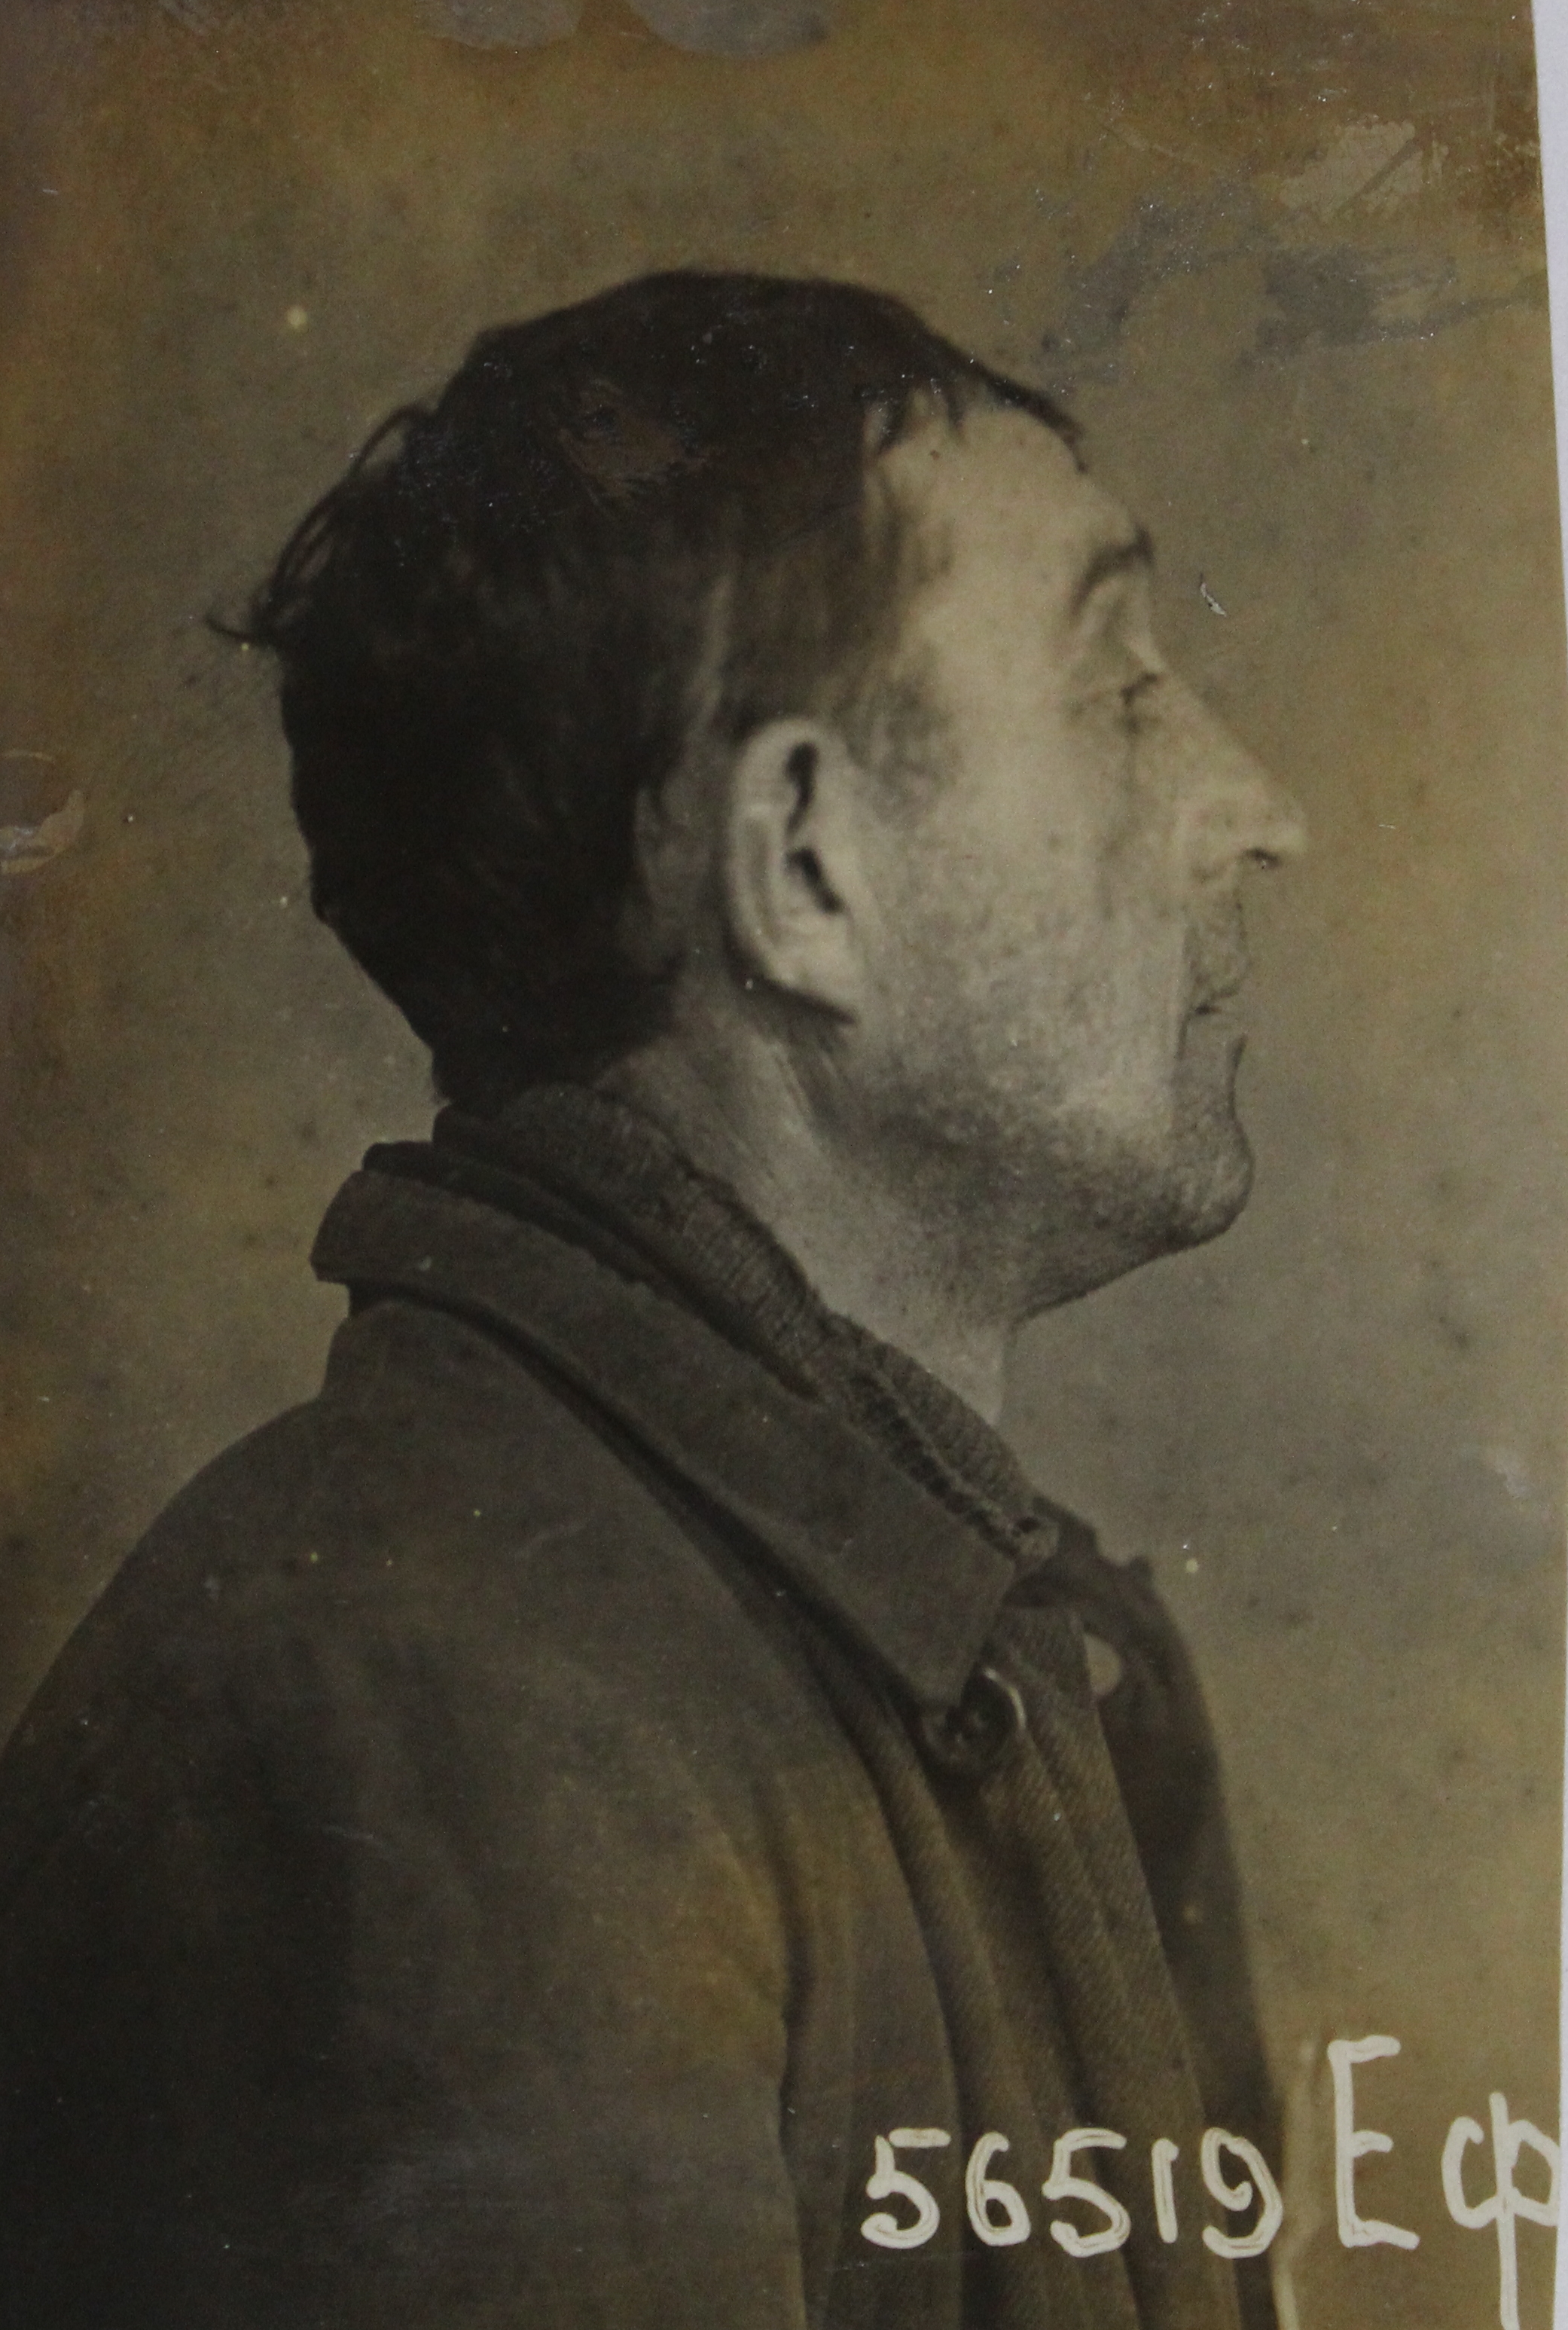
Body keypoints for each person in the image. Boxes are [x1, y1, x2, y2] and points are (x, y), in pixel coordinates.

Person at [0, 272, 1304, 2329]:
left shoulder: (1052, 1660)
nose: (1256, 814)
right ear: (804, 873)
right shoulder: (430, 1735)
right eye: (1118, 689)